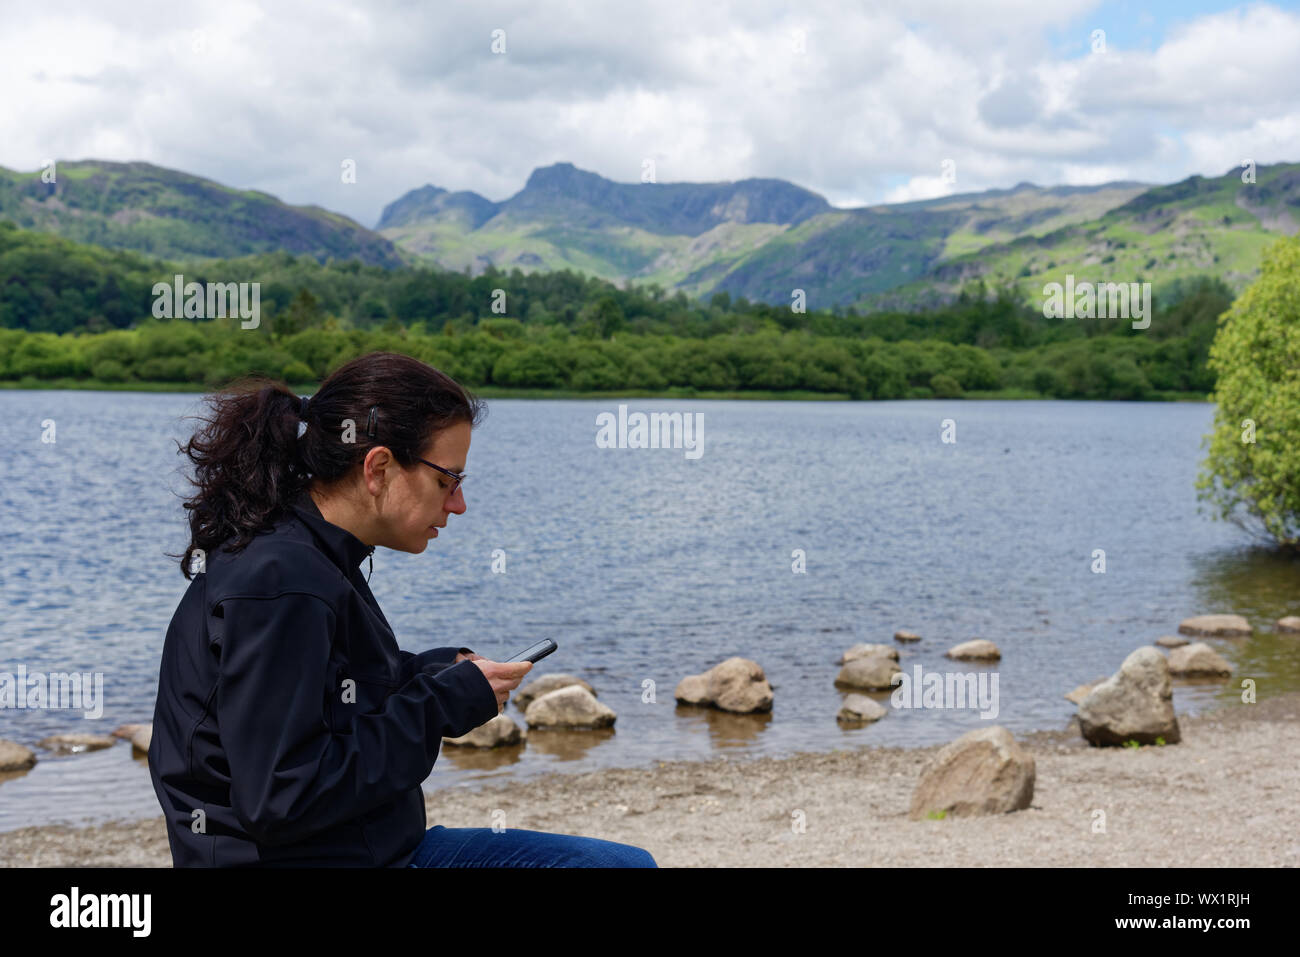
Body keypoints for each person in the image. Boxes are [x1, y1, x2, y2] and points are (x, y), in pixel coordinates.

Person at [148, 351, 656, 868]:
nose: (458, 505)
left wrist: (432, 671)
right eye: (446, 480)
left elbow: (327, 691)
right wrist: (436, 706)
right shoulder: (283, 582)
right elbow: (281, 798)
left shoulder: (306, 555)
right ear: (379, 467)